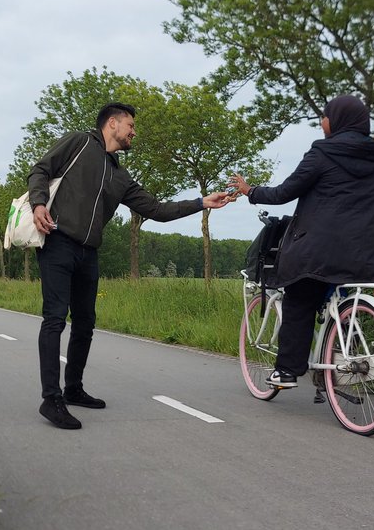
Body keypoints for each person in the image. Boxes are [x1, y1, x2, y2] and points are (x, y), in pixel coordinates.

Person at [27, 102, 232, 429]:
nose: (134, 132)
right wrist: (39, 203)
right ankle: (50, 399)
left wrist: (201, 203)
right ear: (112, 123)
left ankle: (73, 389)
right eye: (131, 126)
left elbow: (157, 209)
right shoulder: (79, 142)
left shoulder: (119, 175)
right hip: (57, 241)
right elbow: (40, 169)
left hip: (88, 251)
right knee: (54, 318)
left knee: (85, 322)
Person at [228, 94, 374, 388]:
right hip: (370, 251)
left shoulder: (323, 153)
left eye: (324, 116)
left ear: (334, 121)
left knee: (300, 298)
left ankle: (286, 371)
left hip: (322, 250)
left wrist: (250, 190)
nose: (322, 122)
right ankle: (339, 346)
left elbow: (285, 192)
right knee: (341, 291)